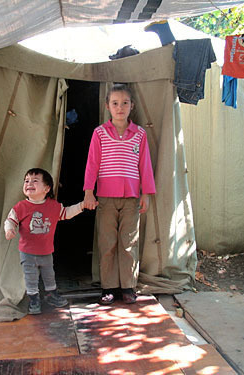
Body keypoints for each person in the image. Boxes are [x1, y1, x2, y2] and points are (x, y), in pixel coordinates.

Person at [83, 83, 156, 305]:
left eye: (125, 103)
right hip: (105, 197)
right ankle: (109, 287)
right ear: (107, 106)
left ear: (132, 106)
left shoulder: (140, 134)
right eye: (115, 103)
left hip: (132, 198)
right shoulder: (100, 133)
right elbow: (92, 164)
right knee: (108, 243)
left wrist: (146, 194)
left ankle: (128, 287)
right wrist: (88, 192)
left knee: (128, 243)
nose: (120, 107)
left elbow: (145, 166)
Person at [4, 168, 85, 314]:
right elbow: (10, 220)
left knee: (49, 274)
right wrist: (9, 230)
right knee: (31, 277)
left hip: (46, 251)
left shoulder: (53, 206)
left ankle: (51, 295)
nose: (29, 183)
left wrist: (81, 206)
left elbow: (66, 213)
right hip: (27, 252)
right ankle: (34, 299)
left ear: (47, 188)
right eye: (26, 181)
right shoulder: (21, 206)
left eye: (35, 181)